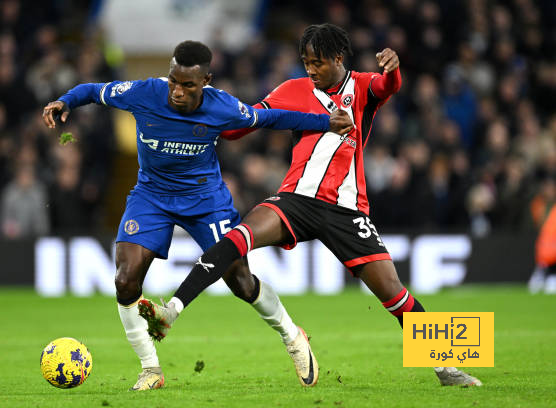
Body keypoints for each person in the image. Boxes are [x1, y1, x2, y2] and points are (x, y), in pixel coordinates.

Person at [140, 24, 483, 387]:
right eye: (305, 62)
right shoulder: (292, 89)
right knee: (236, 237)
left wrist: (393, 68)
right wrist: (206, 109)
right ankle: (172, 311)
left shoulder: (363, 87)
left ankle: (447, 367)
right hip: (295, 200)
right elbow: (241, 125)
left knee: (394, 293)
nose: (310, 70)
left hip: (347, 211)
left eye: (317, 62)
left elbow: (389, 86)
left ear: (338, 58)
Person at [42, 40, 353, 390]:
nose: (176, 91)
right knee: (125, 278)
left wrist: (326, 122)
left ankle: (293, 336)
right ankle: (150, 369)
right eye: (174, 80)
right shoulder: (145, 92)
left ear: (206, 80)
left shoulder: (223, 107)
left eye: (187, 85)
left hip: (206, 199)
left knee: (240, 281)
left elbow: (271, 117)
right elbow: (94, 90)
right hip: (152, 196)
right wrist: (64, 101)